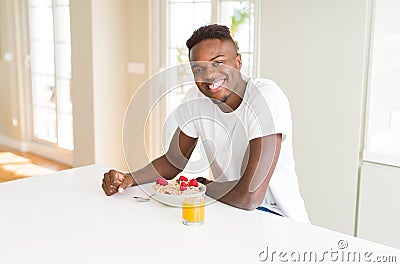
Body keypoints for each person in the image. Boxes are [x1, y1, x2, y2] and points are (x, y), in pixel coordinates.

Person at [102, 24, 309, 223]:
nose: (209, 75)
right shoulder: (196, 101)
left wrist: (203, 186)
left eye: (218, 62)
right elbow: (174, 160)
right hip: (233, 214)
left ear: (238, 61)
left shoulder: (265, 97)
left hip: (280, 221)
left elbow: (250, 196)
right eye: (198, 69)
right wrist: (130, 178)